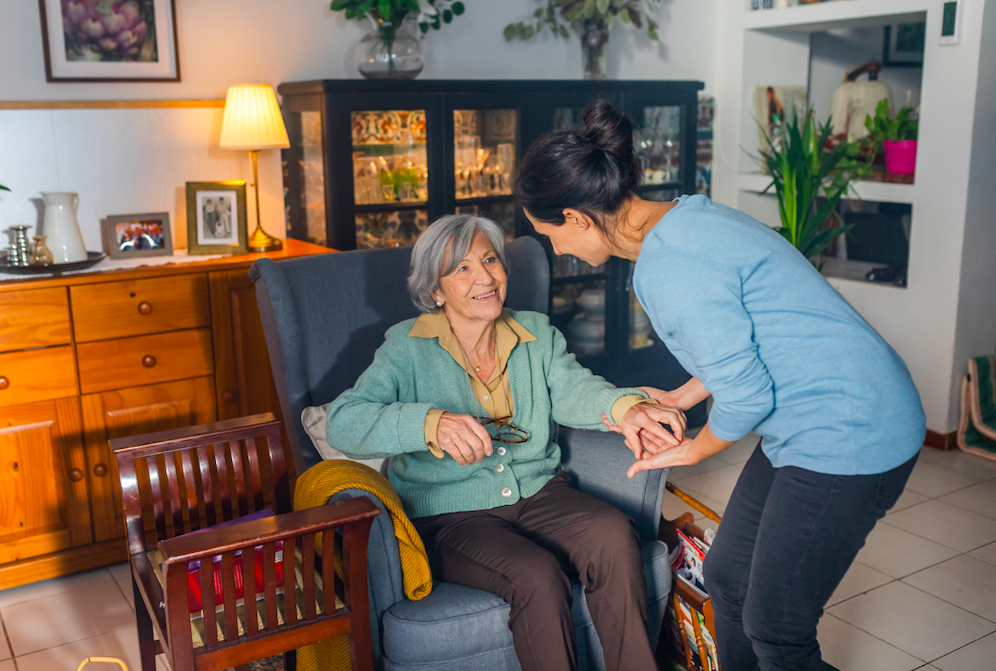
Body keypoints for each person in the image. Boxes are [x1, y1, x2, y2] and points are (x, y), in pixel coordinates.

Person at [515, 99, 926, 671]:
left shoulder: (668, 267)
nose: (557, 251)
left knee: (776, 629)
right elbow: (744, 335)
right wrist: (684, 395)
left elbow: (749, 395)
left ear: (579, 219)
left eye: (550, 236)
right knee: (729, 578)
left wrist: (692, 449)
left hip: (851, 429)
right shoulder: (685, 217)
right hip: (821, 416)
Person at [325, 214, 686, 671]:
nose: (485, 277)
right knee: (537, 575)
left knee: (615, 535)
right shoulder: (405, 347)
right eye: (462, 269)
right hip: (451, 515)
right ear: (435, 291)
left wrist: (626, 409)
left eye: (490, 260)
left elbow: (576, 390)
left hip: (539, 493)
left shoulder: (536, 332)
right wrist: (429, 424)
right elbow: (343, 421)